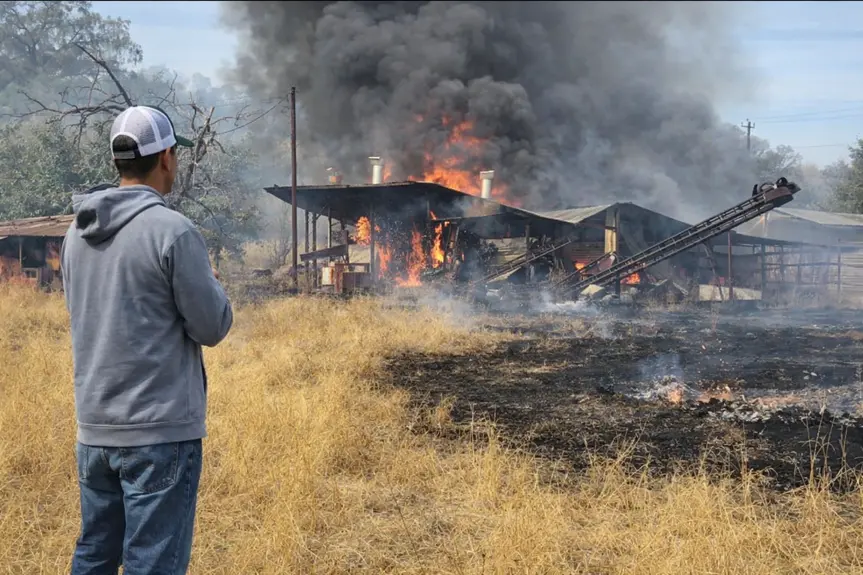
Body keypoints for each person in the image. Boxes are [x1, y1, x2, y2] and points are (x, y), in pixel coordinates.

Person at [61, 105, 234, 574]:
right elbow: (212, 327)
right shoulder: (173, 232)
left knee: (95, 554)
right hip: (158, 435)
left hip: (95, 432)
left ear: (118, 161)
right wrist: (212, 285)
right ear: (167, 158)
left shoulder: (75, 235)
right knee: (151, 564)